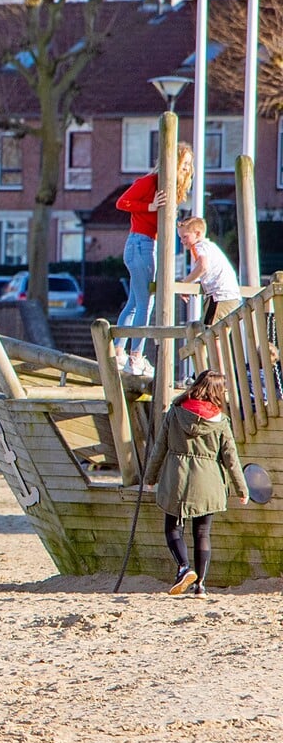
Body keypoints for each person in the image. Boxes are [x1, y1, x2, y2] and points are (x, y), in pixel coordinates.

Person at [145, 369, 248, 596]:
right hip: (209, 482)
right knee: (202, 532)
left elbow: (159, 448)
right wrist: (242, 489)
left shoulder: (175, 412)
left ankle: (183, 567)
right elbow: (231, 458)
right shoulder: (221, 422)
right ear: (217, 392)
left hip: (176, 478)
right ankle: (200, 585)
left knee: (173, 527)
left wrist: (150, 478)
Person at [115, 142, 194, 376]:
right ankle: (135, 357)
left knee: (133, 303)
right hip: (141, 244)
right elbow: (122, 203)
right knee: (145, 304)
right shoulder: (149, 182)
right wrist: (150, 205)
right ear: (173, 162)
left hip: (147, 245)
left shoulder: (173, 188)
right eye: (184, 163)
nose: (187, 168)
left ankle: (118, 352)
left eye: (189, 165)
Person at [178, 215, 240, 324]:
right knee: (220, 335)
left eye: (185, 237)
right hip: (232, 296)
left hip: (219, 297)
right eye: (180, 238)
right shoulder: (210, 246)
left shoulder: (198, 247)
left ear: (197, 234)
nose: (182, 241)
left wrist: (185, 282)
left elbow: (203, 267)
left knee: (209, 334)